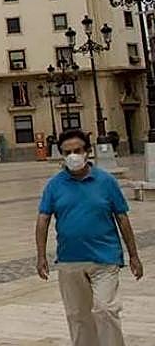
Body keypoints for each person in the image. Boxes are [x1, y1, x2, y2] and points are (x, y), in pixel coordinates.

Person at [35, 128, 143, 345]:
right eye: (67, 153)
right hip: (69, 260)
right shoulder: (54, 185)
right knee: (77, 315)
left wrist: (133, 255)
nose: (73, 156)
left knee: (105, 309)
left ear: (88, 151)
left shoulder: (106, 182)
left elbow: (122, 218)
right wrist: (41, 256)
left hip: (105, 258)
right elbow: (43, 220)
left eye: (77, 150)